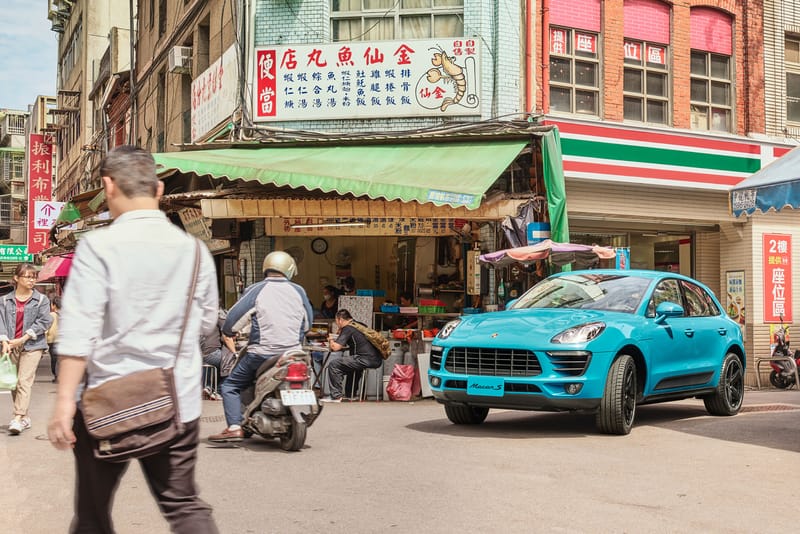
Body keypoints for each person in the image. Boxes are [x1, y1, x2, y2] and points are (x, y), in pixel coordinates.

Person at [46, 146, 220, 533]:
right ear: (158, 189)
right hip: (178, 402)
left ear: (108, 186)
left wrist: (62, 404)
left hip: (106, 403)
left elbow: (79, 332)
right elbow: (207, 322)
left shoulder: (96, 247)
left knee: (92, 516)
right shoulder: (194, 251)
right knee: (184, 505)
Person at [208, 250, 313, 443]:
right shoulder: (298, 291)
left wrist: (230, 333)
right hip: (293, 354)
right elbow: (307, 324)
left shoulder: (257, 289)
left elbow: (232, 320)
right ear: (289, 269)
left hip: (262, 354)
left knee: (230, 385)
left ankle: (234, 426)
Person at [0, 263, 52, 435]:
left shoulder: (42, 300)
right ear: (16, 278)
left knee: (24, 380)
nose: (31, 280)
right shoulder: (5, 300)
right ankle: (25, 417)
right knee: (14, 383)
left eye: (33, 277)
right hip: (10, 345)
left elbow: (45, 321)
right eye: (27, 276)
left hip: (33, 345)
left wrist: (23, 338)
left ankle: (17, 417)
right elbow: (1, 322)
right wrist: (5, 341)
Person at [321, 309, 383, 402]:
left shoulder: (348, 328)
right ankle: (351, 395)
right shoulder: (360, 325)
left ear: (340, 320)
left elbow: (335, 348)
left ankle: (336, 396)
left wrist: (330, 339)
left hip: (364, 359)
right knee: (351, 366)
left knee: (334, 365)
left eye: (337, 321)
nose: (337, 324)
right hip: (376, 359)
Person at [200, 309, 237, 398]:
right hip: (211, 353)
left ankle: (208, 387)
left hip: (200, 354)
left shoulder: (202, 316)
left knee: (216, 363)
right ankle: (219, 391)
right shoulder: (219, 316)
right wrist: (235, 353)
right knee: (232, 363)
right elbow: (226, 337)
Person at [47, 295, 61, 382]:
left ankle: (57, 376)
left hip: (53, 341)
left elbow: (46, 328)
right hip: (64, 340)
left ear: (53, 305)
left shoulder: (51, 315)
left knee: (54, 360)